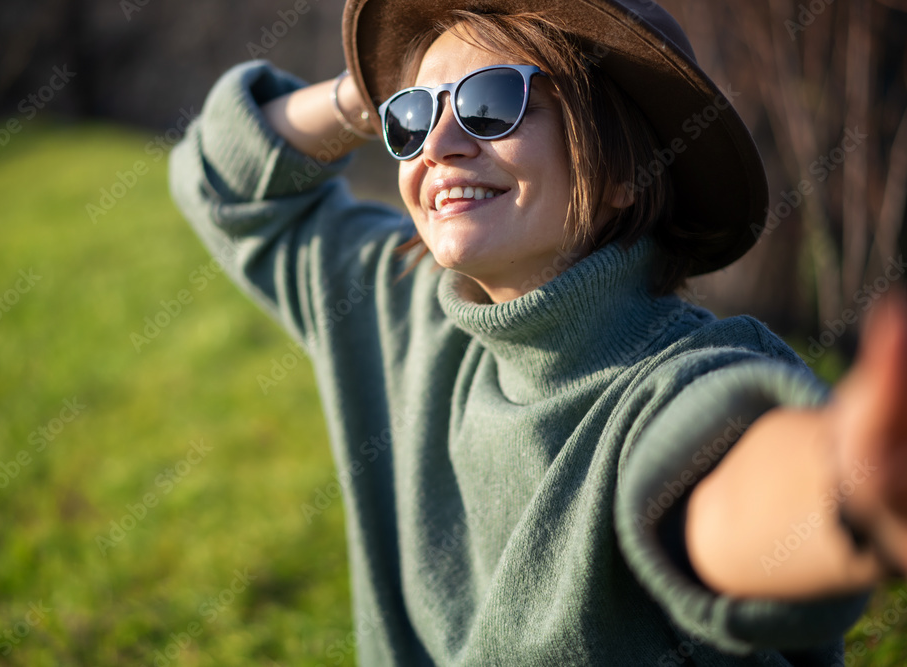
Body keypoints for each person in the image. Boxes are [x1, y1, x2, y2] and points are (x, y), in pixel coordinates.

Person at [169, 0, 907, 663]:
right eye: (413, 118)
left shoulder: (677, 376)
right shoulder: (397, 310)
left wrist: (850, 492)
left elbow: (720, 492)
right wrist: (370, 98)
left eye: (491, 102)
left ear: (622, 171)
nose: (438, 144)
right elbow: (217, 176)